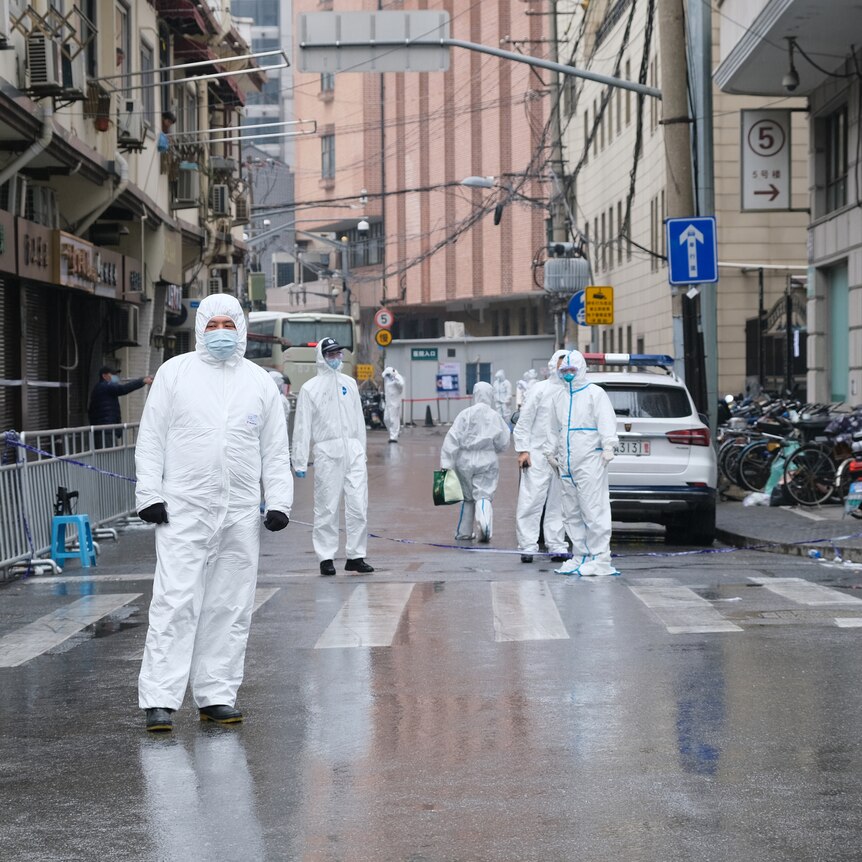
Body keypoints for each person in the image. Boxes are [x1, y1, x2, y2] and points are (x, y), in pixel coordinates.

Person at [135, 294, 293, 732]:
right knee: (174, 601)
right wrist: (149, 494)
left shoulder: (259, 382)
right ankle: (160, 699)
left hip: (240, 512)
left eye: (229, 322)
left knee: (230, 605)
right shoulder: (175, 373)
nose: (221, 331)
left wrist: (278, 501)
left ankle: (216, 694)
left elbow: (275, 450)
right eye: (213, 323)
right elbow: (151, 438)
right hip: (182, 508)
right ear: (201, 326)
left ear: (241, 327)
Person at [292, 337, 374, 576]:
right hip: (327, 452)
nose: (336, 358)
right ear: (322, 356)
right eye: (331, 354)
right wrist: (300, 459)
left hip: (353, 451)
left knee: (358, 505)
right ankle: (326, 556)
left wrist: (362, 450)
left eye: (338, 354)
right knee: (326, 507)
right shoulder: (310, 389)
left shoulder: (349, 383)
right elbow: (302, 427)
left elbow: (359, 421)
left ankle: (356, 555)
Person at [547, 349, 619, 577]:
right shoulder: (559, 397)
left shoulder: (594, 394)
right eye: (564, 370)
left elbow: (606, 420)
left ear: (581, 370)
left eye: (572, 370)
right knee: (571, 512)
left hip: (590, 460)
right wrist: (551, 452)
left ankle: (600, 558)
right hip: (567, 464)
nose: (568, 374)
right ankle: (580, 555)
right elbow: (553, 428)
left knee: (593, 510)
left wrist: (609, 445)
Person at [514, 350, 570, 564]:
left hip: (561, 456)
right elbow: (524, 421)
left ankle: (556, 545)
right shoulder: (540, 390)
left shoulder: (572, 392)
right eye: (561, 364)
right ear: (553, 364)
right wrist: (523, 450)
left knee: (559, 503)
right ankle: (527, 546)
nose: (565, 370)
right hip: (537, 455)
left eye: (569, 365)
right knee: (531, 500)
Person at [440, 381, 510, 543]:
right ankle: (485, 525)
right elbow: (503, 441)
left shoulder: (465, 414)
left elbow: (452, 439)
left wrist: (446, 464)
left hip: (464, 460)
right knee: (484, 494)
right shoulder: (495, 416)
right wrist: (494, 450)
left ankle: (464, 532)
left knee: (468, 497)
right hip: (487, 458)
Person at [88, 365, 153, 448]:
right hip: (106, 430)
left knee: (110, 455)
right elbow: (123, 389)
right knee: (109, 456)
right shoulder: (104, 387)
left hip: (107, 429)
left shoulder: (104, 388)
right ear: (104, 376)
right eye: (112, 374)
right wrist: (142, 381)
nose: (115, 377)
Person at [382, 366, 405, 443]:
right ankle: (394, 433)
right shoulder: (387, 380)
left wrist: (395, 380)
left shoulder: (398, 377)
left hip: (395, 402)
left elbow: (401, 385)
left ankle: (394, 437)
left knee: (393, 419)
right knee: (386, 419)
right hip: (388, 402)